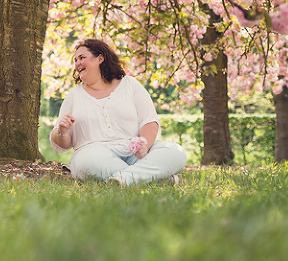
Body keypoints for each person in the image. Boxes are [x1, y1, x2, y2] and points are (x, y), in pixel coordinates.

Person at [50, 38, 187, 186]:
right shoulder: (74, 96)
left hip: (134, 155)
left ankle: (125, 179)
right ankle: (152, 180)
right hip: (95, 156)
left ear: (100, 58)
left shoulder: (130, 85)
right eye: (75, 60)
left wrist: (144, 146)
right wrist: (62, 131)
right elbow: (63, 144)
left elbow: (149, 120)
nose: (77, 64)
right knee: (85, 162)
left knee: (175, 152)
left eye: (82, 58)